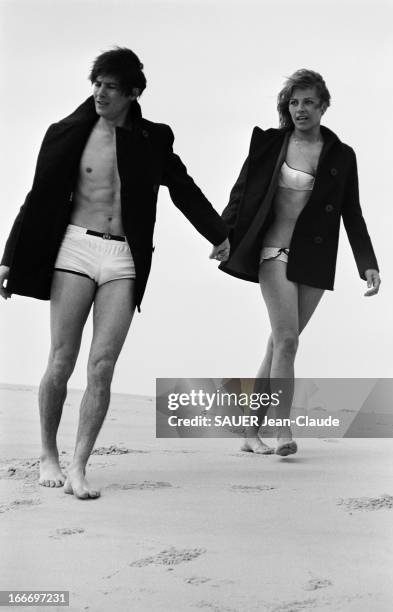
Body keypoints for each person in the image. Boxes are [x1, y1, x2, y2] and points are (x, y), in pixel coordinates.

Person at [0, 47, 230, 499]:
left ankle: (80, 465)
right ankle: (49, 453)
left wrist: (217, 233)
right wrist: (9, 255)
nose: (100, 93)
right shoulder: (66, 133)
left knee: (102, 366)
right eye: (97, 84)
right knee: (62, 359)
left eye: (110, 87)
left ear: (133, 92)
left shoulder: (153, 139)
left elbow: (182, 186)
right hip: (75, 248)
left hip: (124, 256)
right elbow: (38, 195)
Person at [218, 69, 380, 456]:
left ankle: (248, 432)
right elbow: (241, 193)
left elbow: (352, 213)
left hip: (314, 259)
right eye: (294, 102)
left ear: (324, 106)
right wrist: (221, 234)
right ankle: (281, 428)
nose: (300, 109)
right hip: (272, 251)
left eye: (308, 101)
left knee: (279, 344)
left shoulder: (341, 156)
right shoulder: (270, 145)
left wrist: (367, 263)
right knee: (287, 340)